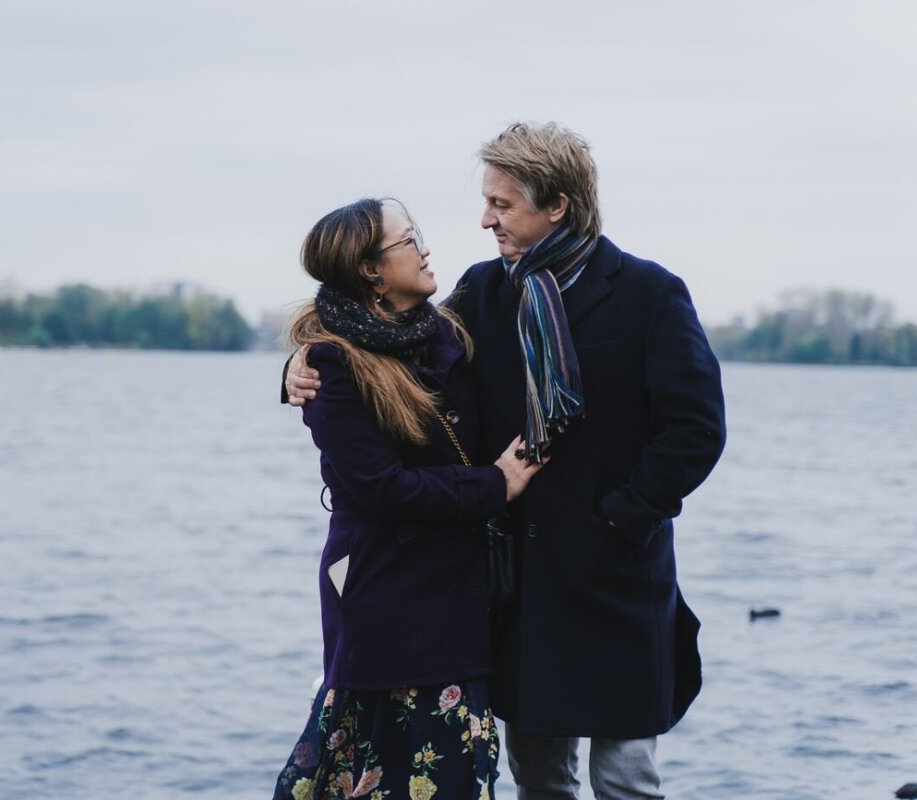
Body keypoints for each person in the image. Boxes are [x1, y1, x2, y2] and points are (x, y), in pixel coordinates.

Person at [287, 123, 727, 800]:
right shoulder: (481, 293)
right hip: (520, 586)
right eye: (487, 202)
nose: (485, 219)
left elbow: (696, 431)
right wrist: (300, 363)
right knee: (540, 779)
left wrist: (622, 518)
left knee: (626, 780)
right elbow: (385, 349)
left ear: (557, 206)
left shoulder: (649, 294)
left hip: (621, 578)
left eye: (502, 204)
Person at [274, 197, 546, 800]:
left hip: (458, 594)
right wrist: (495, 484)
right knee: (380, 771)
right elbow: (381, 487)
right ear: (371, 270)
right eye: (409, 240)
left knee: (458, 772)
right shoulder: (333, 364)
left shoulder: (445, 330)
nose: (425, 249)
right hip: (386, 594)